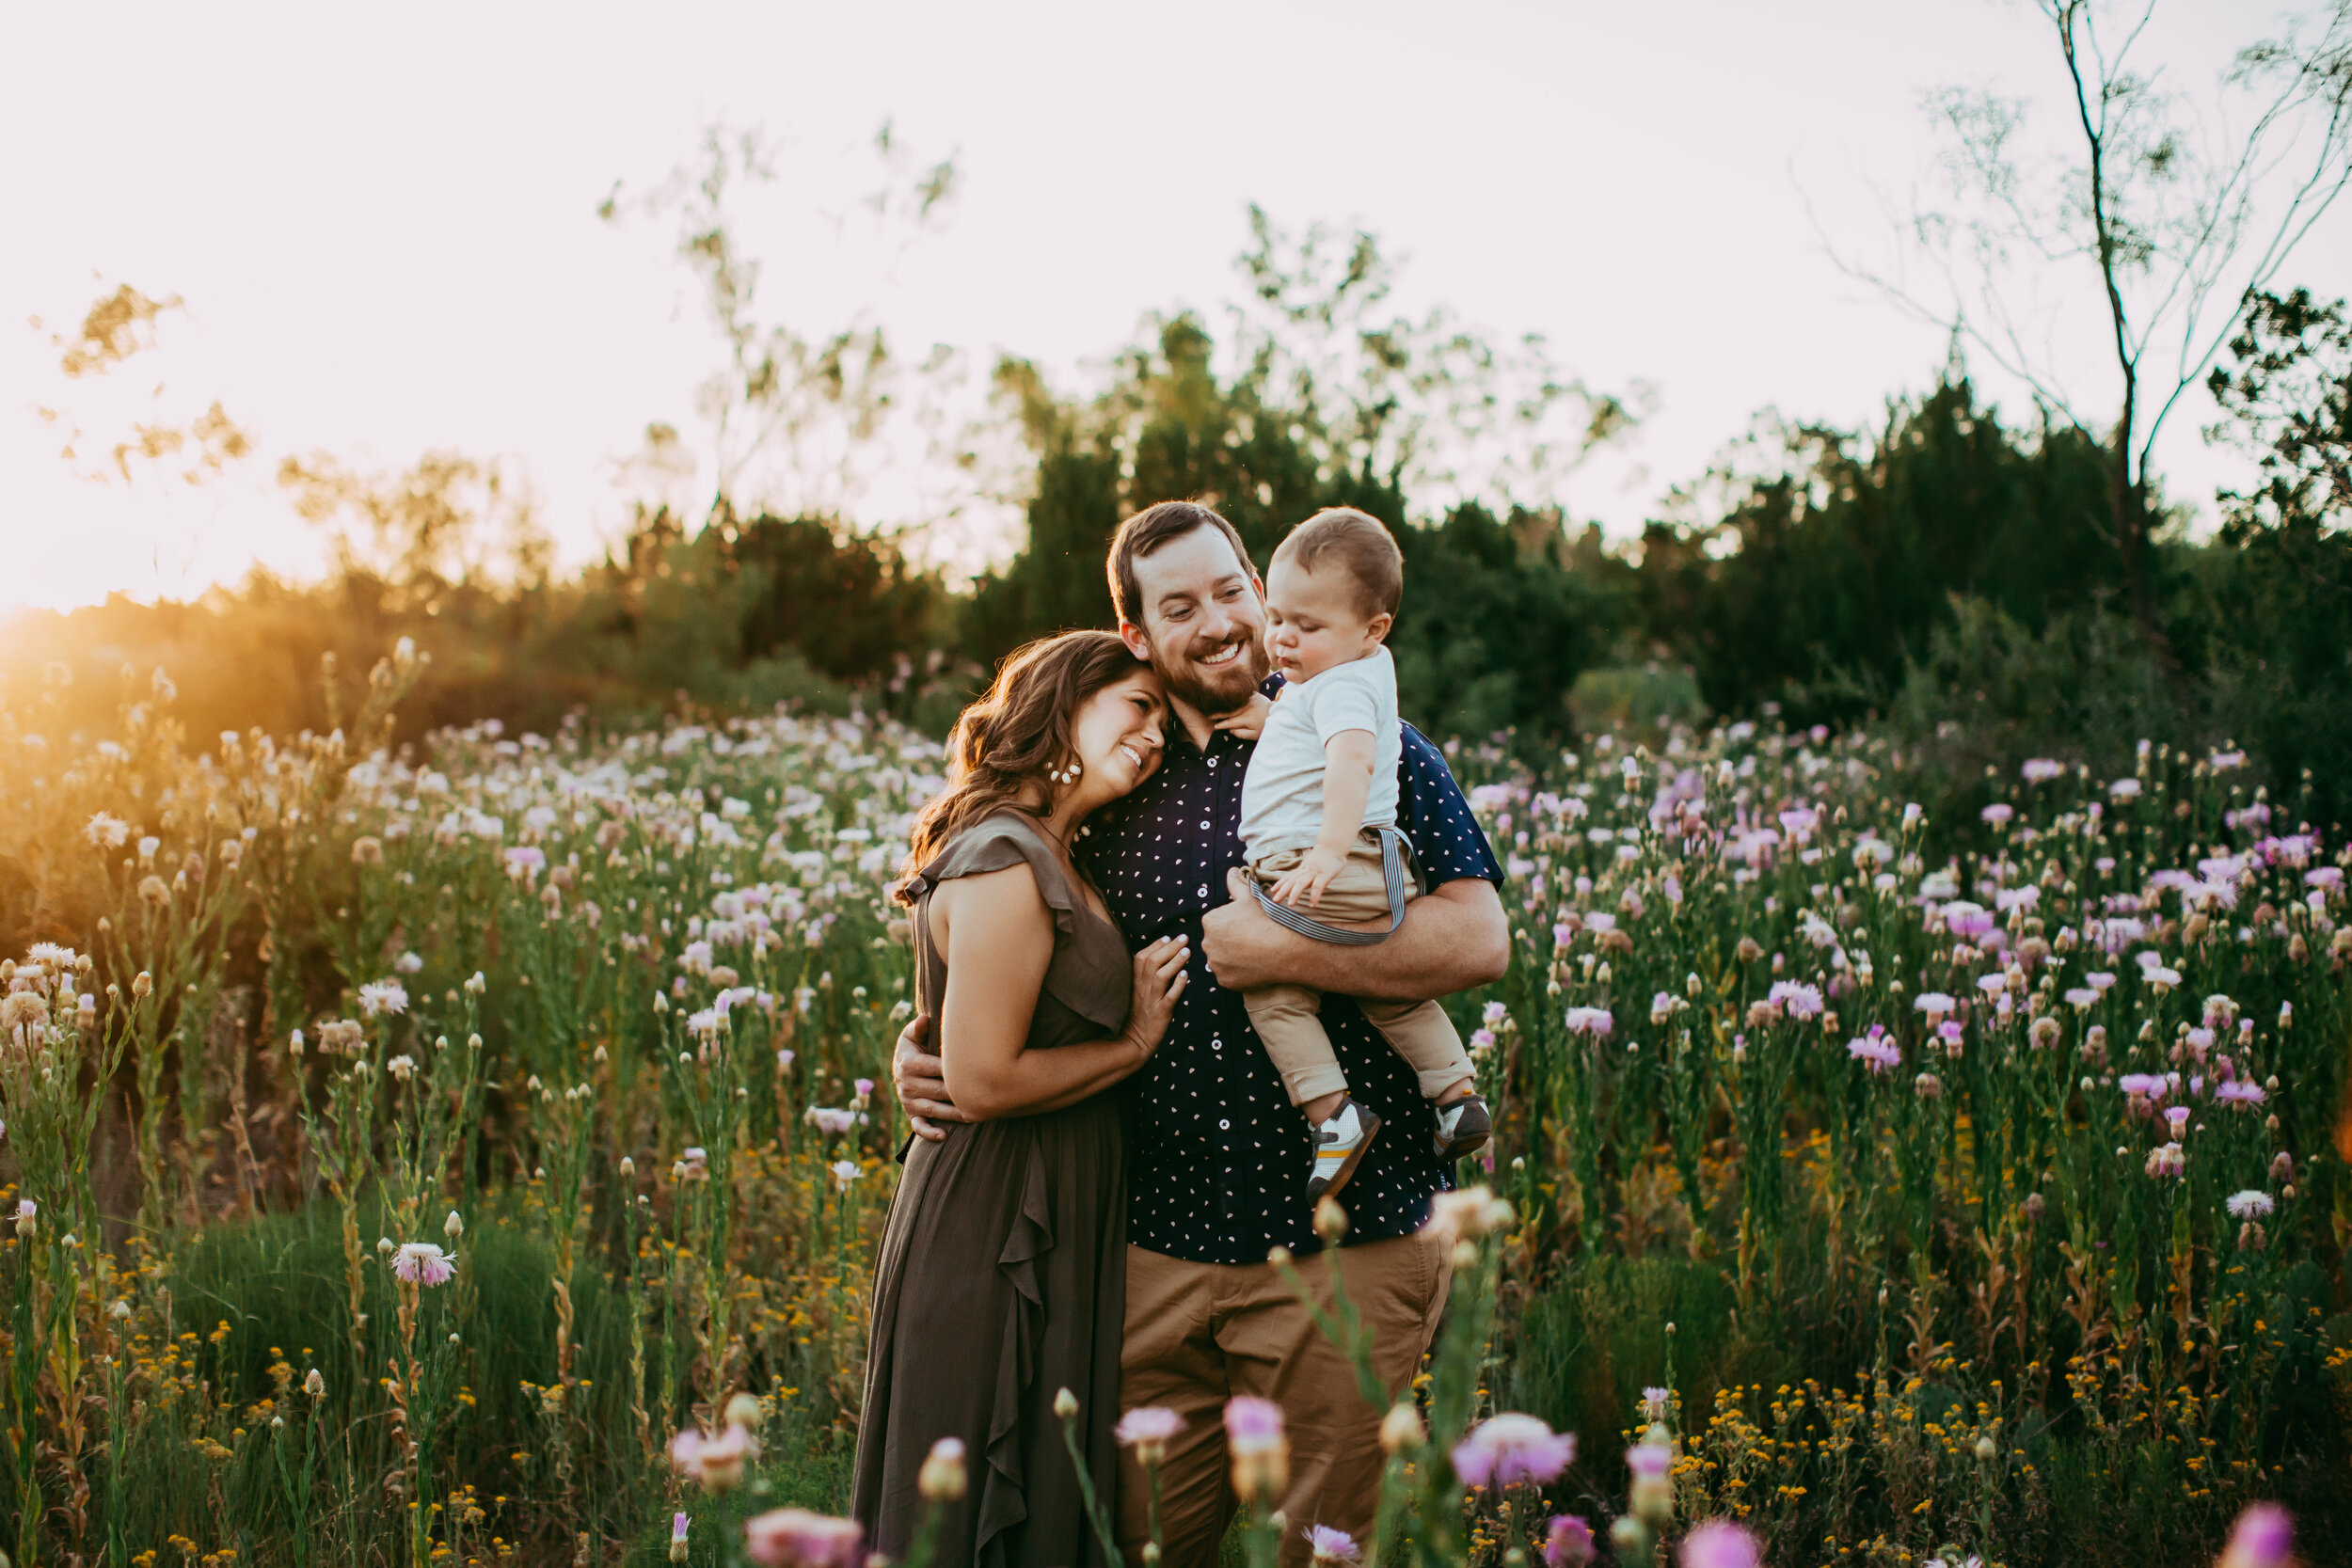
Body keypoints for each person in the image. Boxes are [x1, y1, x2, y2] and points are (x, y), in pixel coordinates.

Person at [894, 502, 1508, 1568]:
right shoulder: (1112, 782)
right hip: (1142, 1259)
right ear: (1136, 633)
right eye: (1179, 606)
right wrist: (919, 1045)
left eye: (1232, 591)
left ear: (1263, 595)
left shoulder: (1368, 741)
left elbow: (1477, 938)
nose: (1218, 622)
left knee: (1324, 1552)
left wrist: (1292, 955)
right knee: (1123, 1547)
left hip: (1340, 1249)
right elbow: (1009, 948)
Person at [852, 630, 1192, 1568]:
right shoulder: (1008, 856)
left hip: (1050, 1200)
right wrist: (1131, 1044)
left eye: (1164, 715)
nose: (1156, 731)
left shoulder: (1050, 846)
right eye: (1138, 705)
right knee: (973, 1496)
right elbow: (983, 1077)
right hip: (996, 1212)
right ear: (1064, 704)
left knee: (1041, 1490)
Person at [1230, 507, 1489, 1200]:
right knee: (1389, 993)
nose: (1282, 637)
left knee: (1274, 991)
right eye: (1276, 615)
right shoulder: (1347, 675)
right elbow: (1313, 715)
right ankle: (1456, 1093)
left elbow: (1348, 763)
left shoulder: (1340, 688)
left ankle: (1333, 1115)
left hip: (1326, 864)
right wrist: (1277, 709)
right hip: (1370, 868)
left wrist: (1324, 851)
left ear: (1372, 629)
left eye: (1306, 627)